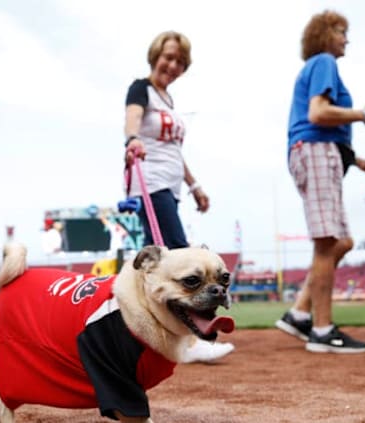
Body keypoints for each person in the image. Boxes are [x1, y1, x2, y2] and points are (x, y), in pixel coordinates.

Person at [275, 10, 365, 354]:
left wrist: (353, 158)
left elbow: (323, 123)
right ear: (324, 35)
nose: (346, 38)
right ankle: (321, 331)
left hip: (324, 151)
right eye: (341, 31)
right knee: (328, 241)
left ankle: (299, 314)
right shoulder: (324, 61)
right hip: (315, 150)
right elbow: (318, 114)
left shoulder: (319, 66)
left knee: (342, 241)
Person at [123, 31, 234, 363]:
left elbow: (174, 150)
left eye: (179, 62)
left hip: (170, 186)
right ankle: (194, 336)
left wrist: (194, 185)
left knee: (165, 260)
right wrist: (131, 138)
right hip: (150, 181)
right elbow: (132, 118)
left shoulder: (168, 100)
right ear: (155, 55)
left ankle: (155, 334)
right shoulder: (140, 88)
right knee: (177, 259)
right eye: (168, 57)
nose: (172, 65)